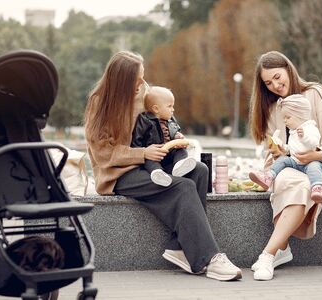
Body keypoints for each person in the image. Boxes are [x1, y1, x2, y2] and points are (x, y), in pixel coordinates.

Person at [84, 51, 242, 281]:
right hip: (118, 174)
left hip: (151, 161)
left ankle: (179, 247)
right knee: (183, 187)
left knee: (198, 171)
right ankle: (208, 258)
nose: (142, 84)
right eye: (136, 80)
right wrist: (143, 153)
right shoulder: (100, 102)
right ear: (122, 80)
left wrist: (174, 137)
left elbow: (161, 120)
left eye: (142, 77)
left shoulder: (143, 91)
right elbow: (103, 153)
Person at [248, 51, 322, 281]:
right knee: (289, 180)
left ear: (289, 69)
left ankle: (269, 254)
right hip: (289, 167)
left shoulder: (316, 95)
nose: (275, 85)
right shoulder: (272, 109)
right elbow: (273, 155)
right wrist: (276, 152)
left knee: (303, 185)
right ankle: (279, 248)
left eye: (278, 77)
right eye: (268, 83)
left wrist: (316, 154)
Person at [250, 94, 322, 203]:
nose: (285, 121)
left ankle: (317, 188)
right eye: (284, 118)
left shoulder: (310, 128)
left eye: (288, 117)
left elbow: (314, 143)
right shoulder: (293, 131)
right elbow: (292, 149)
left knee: (314, 168)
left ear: (300, 115)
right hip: (296, 161)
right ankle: (268, 177)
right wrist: (284, 148)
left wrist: (304, 136)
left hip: (311, 161)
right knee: (282, 160)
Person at [131, 86, 196, 187]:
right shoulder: (144, 120)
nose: (173, 109)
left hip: (169, 152)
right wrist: (144, 150)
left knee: (181, 150)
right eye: (169, 106)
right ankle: (158, 173)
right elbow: (137, 140)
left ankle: (179, 165)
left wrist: (178, 137)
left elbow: (175, 131)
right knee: (150, 160)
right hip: (153, 154)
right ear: (156, 109)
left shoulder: (170, 120)